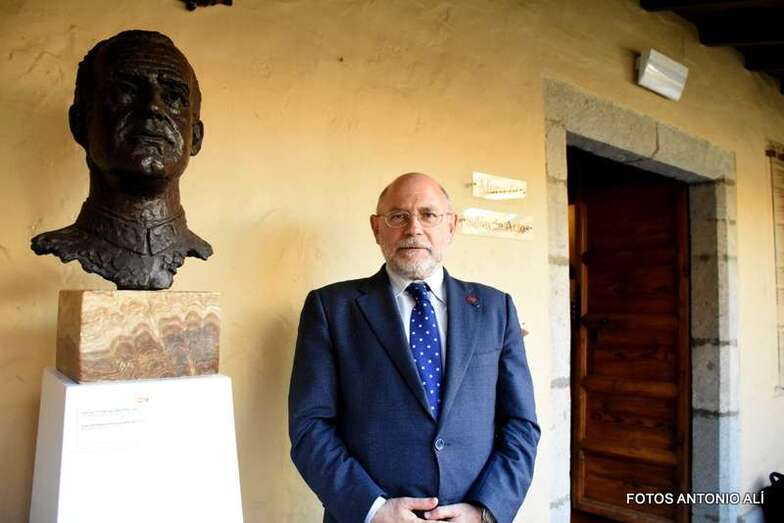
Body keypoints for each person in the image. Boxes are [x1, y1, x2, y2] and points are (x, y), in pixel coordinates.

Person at [289, 173, 539, 523]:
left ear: (451, 225)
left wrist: (486, 510)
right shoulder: (331, 309)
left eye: (429, 215)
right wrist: (373, 510)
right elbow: (310, 427)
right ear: (377, 228)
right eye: (398, 216)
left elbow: (520, 424)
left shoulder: (497, 309)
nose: (414, 229)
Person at [31, 30, 212, 290]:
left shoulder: (199, 248)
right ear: (80, 123)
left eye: (173, 97)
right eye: (126, 90)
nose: (153, 107)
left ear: (195, 138)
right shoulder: (61, 244)